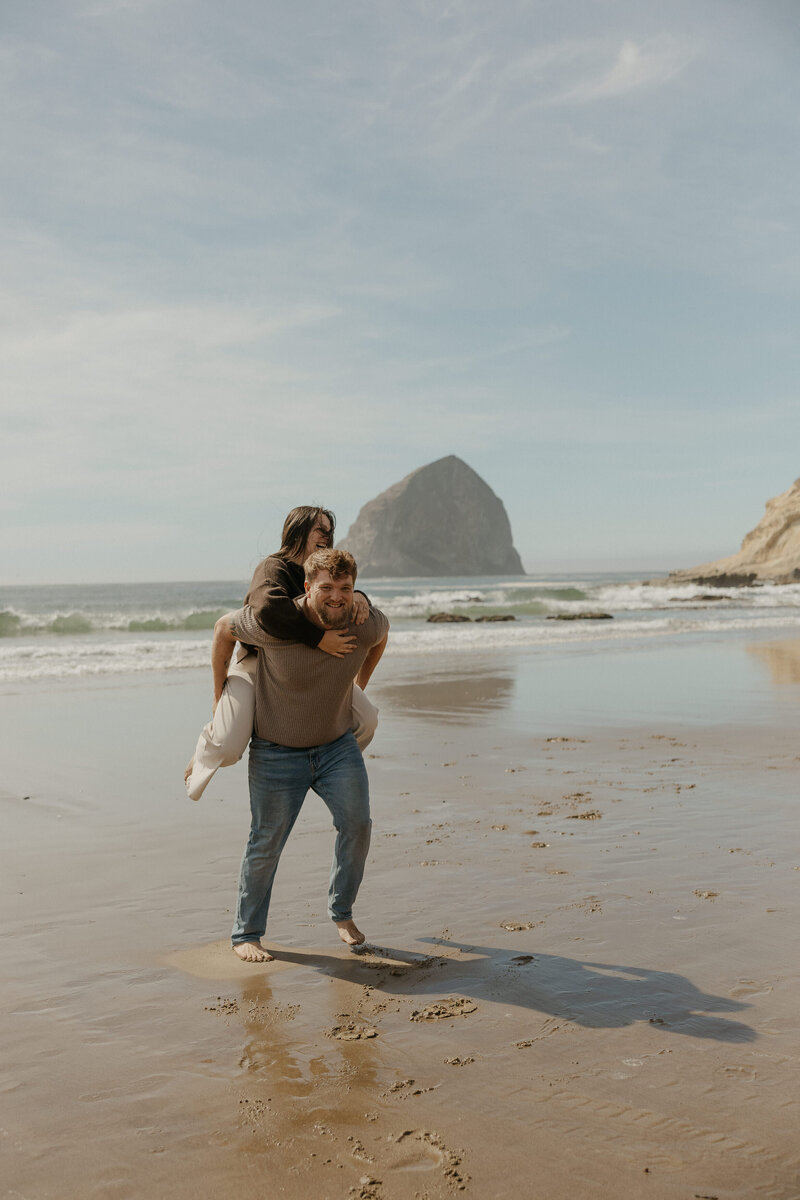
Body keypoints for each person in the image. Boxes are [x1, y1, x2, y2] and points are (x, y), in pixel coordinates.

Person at [212, 548, 389, 962]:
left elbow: (382, 634)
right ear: (308, 588)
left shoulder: (362, 623)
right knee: (266, 842)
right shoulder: (275, 624)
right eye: (326, 587)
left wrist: (360, 684)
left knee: (358, 824)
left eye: (345, 588)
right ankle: (246, 934)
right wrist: (218, 697)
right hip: (276, 753)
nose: (336, 597)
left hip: (336, 747)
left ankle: (341, 912)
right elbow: (223, 629)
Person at [185, 506, 378, 801]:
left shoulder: (322, 571)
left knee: (366, 720)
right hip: (256, 663)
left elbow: (340, 597)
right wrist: (318, 638)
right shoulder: (273, 567)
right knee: (228, 747)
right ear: (298, 531)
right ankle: (202, 755)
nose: (327, 536)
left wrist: (362, 597)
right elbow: (267, 609)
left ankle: (325, 768)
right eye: (320, 530)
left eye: (330, 531)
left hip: (304, 668)